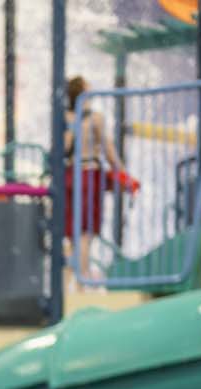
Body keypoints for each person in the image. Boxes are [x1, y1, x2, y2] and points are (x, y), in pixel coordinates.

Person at [65, 75, 130, 282]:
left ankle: (72, 280)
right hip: (88, 175)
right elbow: (109, 151)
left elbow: (62, 149)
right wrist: (123, 174)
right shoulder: (95, 118)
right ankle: (83, 278)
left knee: (71, 232)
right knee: (85, 232)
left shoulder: (65, 117)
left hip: (68, 175)